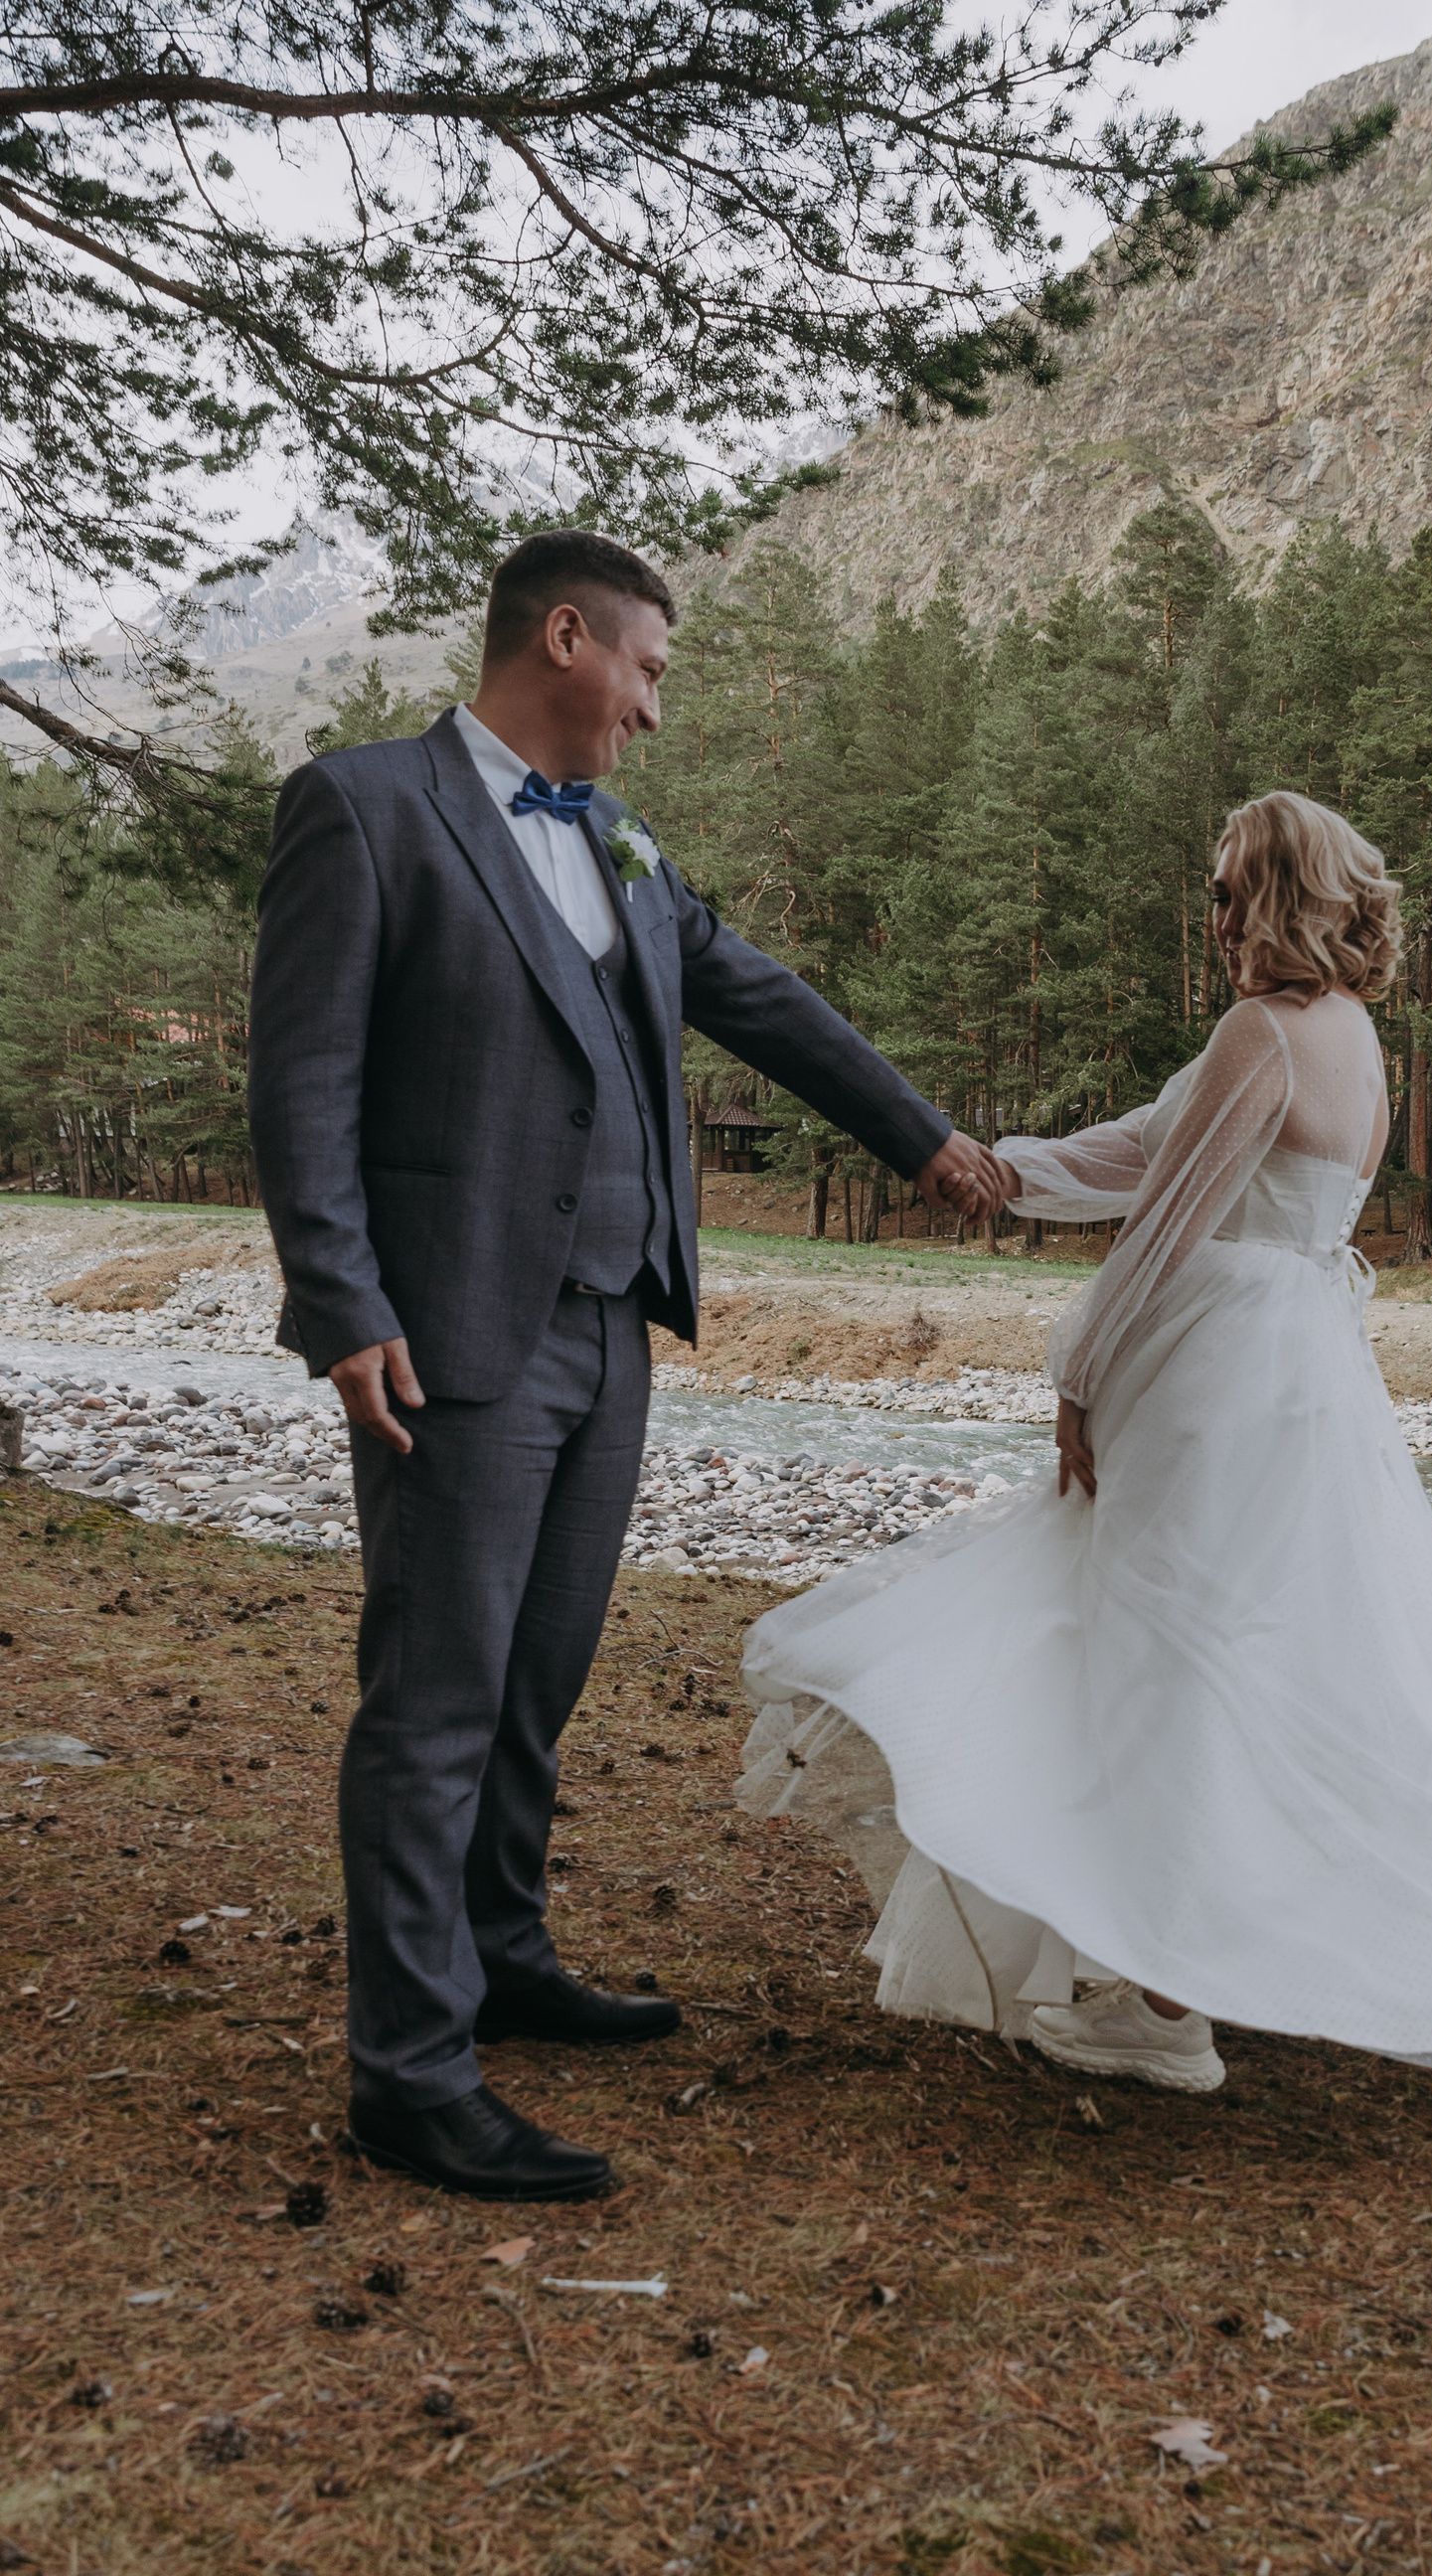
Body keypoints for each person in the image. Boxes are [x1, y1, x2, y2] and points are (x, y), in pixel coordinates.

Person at [249, 529, 1002, 2199]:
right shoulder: (364, 807)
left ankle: (502, 1957)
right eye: (649, 671)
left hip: (611, 1321)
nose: (655, 710)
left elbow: (759, 998)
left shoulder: (618, 839)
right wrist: (341, 1299)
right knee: (436, 1698)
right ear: (568, 640)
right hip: (449, 1326)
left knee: (539, 1674)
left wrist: (926, 1138)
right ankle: (409, 2075)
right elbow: (300, 1078)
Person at [738, 789, 1432, 2094]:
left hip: (1214, 1365)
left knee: (1165, 1659)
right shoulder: (1350, 1035)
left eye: (1230, 892)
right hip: (1301, 1371)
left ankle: (1165, 2008)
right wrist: (997, 1165)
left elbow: (1166, 1219)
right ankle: (1212, 1958)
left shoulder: (1261, 1032)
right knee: (1263, 1653)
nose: (1215, 916)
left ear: (1283, 895)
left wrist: (1078, 1369)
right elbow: (1145, 1150)